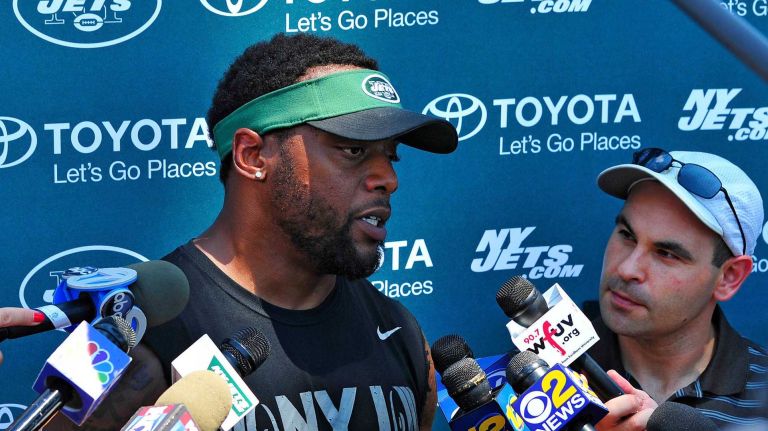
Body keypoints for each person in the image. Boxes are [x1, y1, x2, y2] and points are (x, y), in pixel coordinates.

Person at [589, 148, 768, 430]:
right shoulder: (538, 376)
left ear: (729, 277)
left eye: (666, 253)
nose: (627, 269)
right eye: (627, 235)